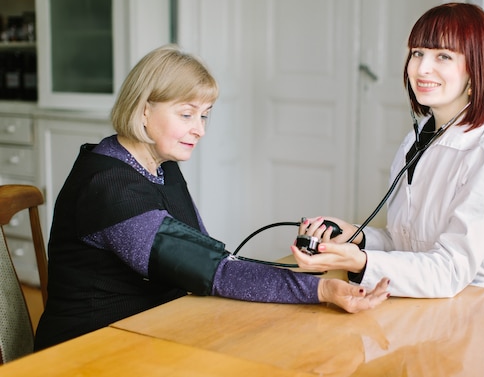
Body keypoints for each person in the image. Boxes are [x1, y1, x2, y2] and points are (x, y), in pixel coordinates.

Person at [34, 45, 389, 350]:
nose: (199, 129)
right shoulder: (110, 188)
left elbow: (204, 252)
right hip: (90, 348)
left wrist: (309, 273)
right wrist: (322, 290)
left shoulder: (160, 162)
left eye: (204, 115)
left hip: (154, 328)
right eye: (186, 114)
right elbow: (211, 270)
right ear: (143, 109)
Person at [292, 3, 484, 298]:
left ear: (475, 67)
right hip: (416, 301)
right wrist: (359, 237)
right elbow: (409, 243)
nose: (422, 68)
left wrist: (362, 262)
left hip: (476, 306)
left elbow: (450, 271)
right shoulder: (420, 135)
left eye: (443, 56)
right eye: (418, 53)